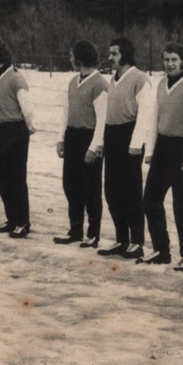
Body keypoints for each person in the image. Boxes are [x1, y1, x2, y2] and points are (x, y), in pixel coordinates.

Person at [138, 43, 183, 271]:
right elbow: (154, 119)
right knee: (150, 199)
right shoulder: (160, 84)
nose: (170, 64)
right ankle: (161, 250)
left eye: (174, 60)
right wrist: (150, 151)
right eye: (166, 59)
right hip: (163, 148)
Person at [96, 37, 154, 259]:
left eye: (114, 54)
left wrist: (136, 144)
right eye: (110, 53)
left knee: (131, 192)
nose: (110, 58)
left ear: (126, 54)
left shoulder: (140, 79)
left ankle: (137, 242)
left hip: (129, 138)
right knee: (112, 191)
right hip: (112, 136)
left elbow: (145, 114)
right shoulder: (113, 79)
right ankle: (122, 240)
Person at [53, 40, 108, 248]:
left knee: (90, 189)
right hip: (73, 137)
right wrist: (61, 138)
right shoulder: (72, 82)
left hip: (89, 138)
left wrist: (94, 147)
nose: (70, 59)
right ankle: (75, 230)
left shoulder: (99, 84)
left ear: (81, 57)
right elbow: (65, 112)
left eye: (72, 55)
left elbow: (102, 119)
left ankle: (93, 234)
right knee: (71, 185)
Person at [0, 38, 35, 238]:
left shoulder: (15, 77)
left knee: (16, 178)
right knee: (1, 177)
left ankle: (22, 222)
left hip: (14, 131)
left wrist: (28, 125)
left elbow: (27, 107)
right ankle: (12, 219)